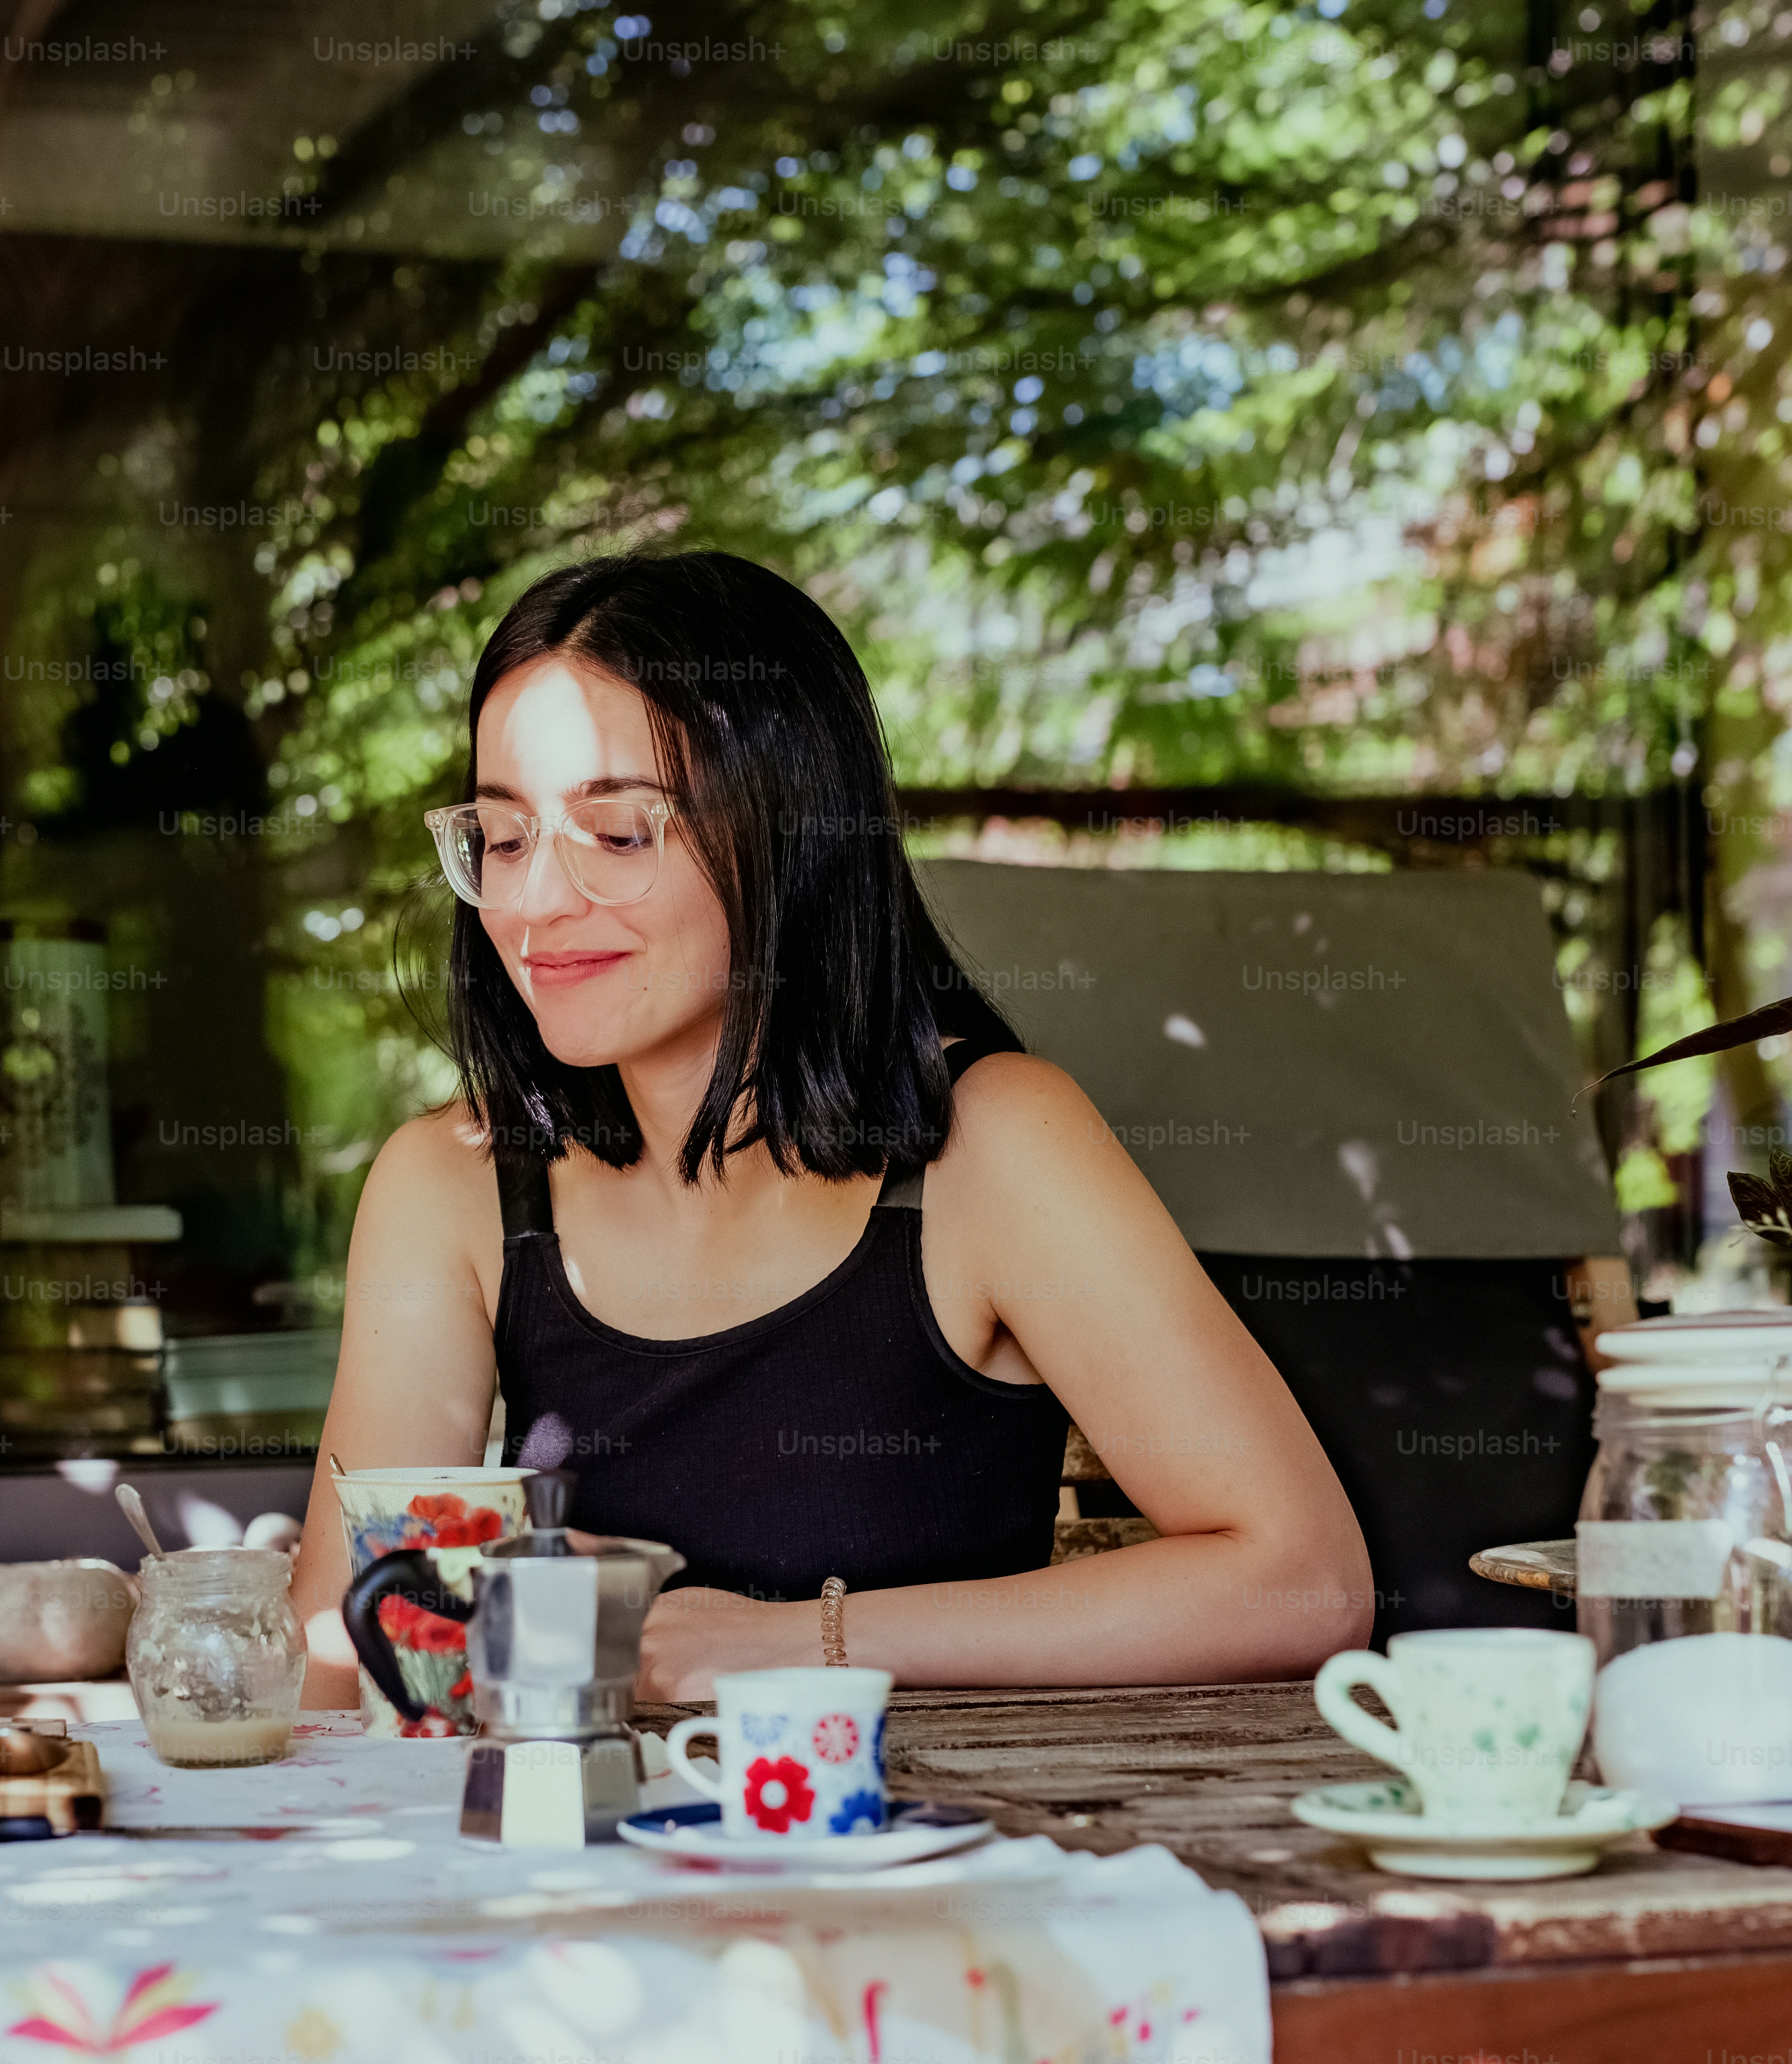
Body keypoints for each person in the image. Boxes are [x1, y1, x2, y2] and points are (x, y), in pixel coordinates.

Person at [289, 551, 1369, 1704]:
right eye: (505, 839)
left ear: (788, 832)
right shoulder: (452, 1183)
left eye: (618, 832)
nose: (534, 903)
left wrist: (795, 1641)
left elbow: (1304, 1581)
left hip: (946, 1849)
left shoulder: (991, 1143)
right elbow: (344, 1659)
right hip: (576, 1870)